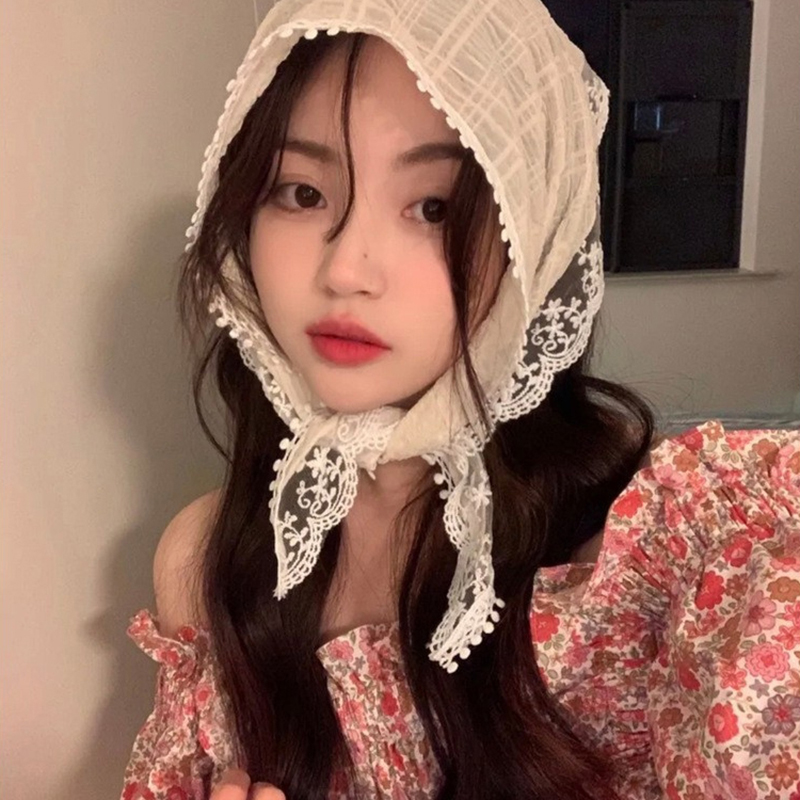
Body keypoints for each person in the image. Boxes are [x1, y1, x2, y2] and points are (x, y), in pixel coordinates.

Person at [119, 1, 800, 798]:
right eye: (302, 193)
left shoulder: (690, 543)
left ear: (535, 238)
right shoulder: (205, 561)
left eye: (434, 208)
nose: (346, 270)